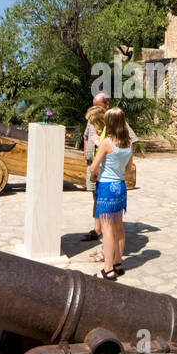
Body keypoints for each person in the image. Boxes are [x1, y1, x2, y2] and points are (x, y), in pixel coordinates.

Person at [90, 107, 133, 279]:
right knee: (119, 227)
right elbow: (129, 168)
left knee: (107, 229)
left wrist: (94, 174)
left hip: (107, 187)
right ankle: (118, 263)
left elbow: (94, 166)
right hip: (120, 186)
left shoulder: (107, 143)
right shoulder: (128, 143)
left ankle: (108, 269)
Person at [82, 102, 107, 252]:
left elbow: (132, 140)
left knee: (102, 205)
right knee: (96, 199)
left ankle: (103, 238)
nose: (90, 123)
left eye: (92, 121)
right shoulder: (96, 129)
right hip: (94, 168)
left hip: (102, 173)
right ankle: (97, 230)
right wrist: (86, 154)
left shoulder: (108, 131)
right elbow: (86, 137)